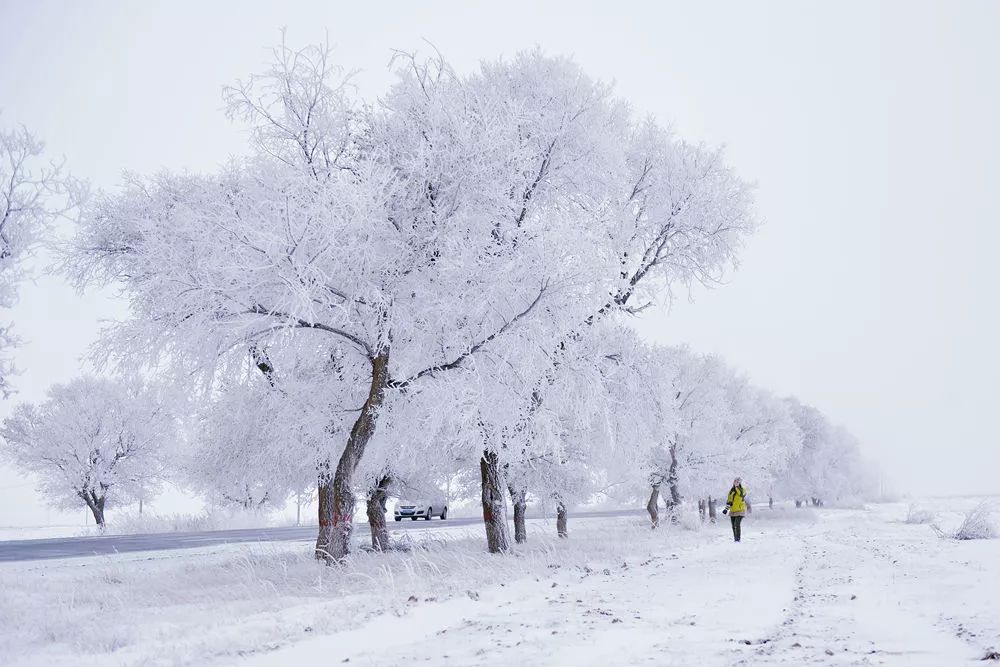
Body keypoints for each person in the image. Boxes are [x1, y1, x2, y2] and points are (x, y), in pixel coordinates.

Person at [722, 477, 750, 542]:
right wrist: (726, 509)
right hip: (733, 511)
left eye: (737, 482)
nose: (736, 483)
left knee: (736, 524)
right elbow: (729, 501)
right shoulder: (731, 491)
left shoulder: (743, 490)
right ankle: (735, 539)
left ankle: (738, 539)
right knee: (733, 526)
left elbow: (741, 494)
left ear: (740, 483)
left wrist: (737, 487)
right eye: (735, 482)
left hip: (740, 510)